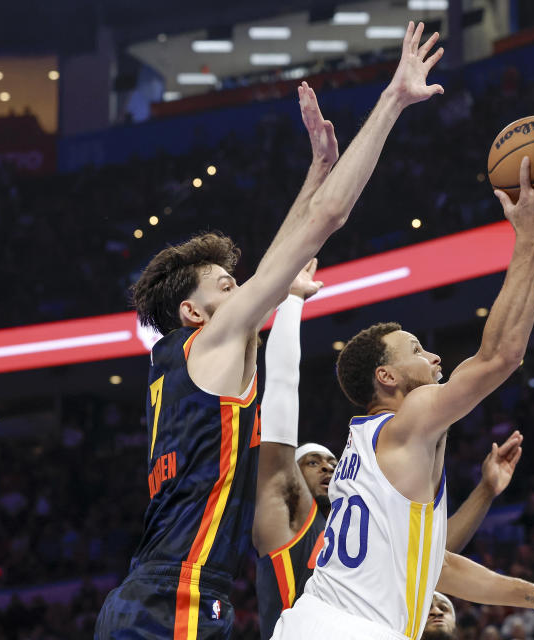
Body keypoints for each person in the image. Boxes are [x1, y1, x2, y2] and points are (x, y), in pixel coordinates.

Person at [96, 19, 441, 636]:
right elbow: (328, 220)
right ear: (193, 313)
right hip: (180, 597)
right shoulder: (215, 342)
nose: (248, 290)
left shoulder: (179, 360)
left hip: (150, 592)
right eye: (228, 287)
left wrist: (315, 171)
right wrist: (393, 99)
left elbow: (282, 260)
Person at [274, 101, 534, 637]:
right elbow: (501, 357)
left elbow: (441, 565)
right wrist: (530, 237)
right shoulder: (406, 422)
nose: (433, 356)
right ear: (385, 378)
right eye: (414, 348)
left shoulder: (377, 451)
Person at [252, 273, 525, 639]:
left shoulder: (364, 489)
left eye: (329, 461)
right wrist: (292, 302)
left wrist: (486, 491)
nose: (327, 467)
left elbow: (431, 557)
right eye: (312, 462)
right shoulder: (288, 524)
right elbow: (281, 400)